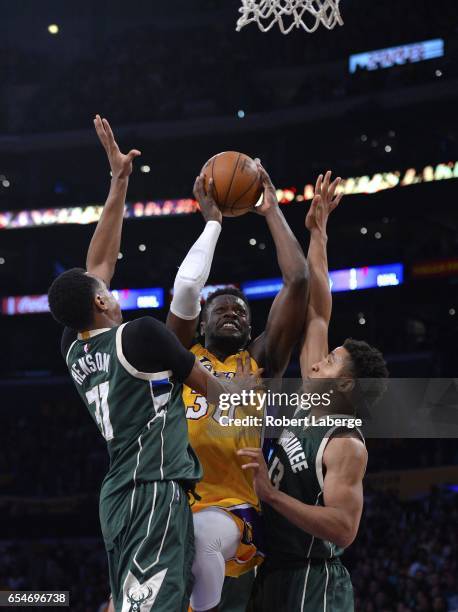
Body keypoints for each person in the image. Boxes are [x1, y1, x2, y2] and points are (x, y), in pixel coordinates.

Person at [48, 116, 258, 612]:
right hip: (153, 489)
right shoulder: (140, 336)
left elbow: (97, 266)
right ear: (100, 305)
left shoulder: (75, 347)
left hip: (118, 496)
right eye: (107, 292)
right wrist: (213, 223)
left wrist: (119, 181)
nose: (112, 289)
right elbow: (188, 300)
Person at [239, 171, 389, 612]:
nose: (320, 359)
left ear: (345, 383)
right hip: (272, 569)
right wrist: (318, 234)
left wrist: (272, 496)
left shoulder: (345, 444)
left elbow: (344, 529)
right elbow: (318, 313)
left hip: (313, 582)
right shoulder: (311, 398)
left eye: (332, 360)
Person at [166, 162, 309, 612]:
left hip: (233, 506)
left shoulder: (261, 361)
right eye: (221, 309)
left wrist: (271, 210)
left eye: (241, 312)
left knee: (204, 541)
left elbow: (299, 281)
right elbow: (186, 291)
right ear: (202, 323)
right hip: (170, 504)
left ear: (251, 329)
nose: (232, 314)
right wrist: (211, 223)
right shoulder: (181, 359)